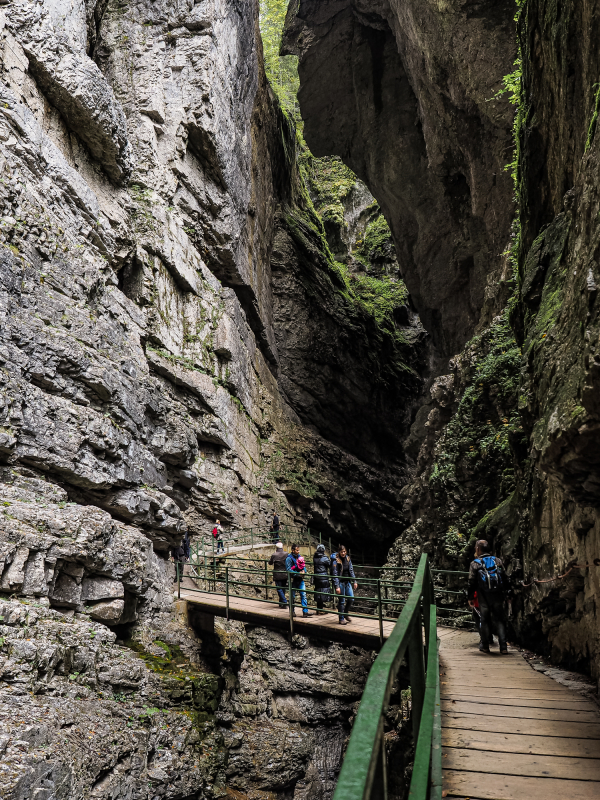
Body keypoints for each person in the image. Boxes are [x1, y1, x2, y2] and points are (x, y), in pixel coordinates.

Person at [468, 539, 510, 654]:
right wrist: (507, 594)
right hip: (497, 594)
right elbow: (505, 578)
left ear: (478, 549)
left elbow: (471, 582)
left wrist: (470, 597)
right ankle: (503, 647)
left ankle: (485, 645)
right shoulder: (497, 561)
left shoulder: (475, 563)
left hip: (483, 595)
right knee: (500, 619)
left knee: (484, 619)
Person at [285, 544, 314, 617]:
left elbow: (303, 566)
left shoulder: (299, 557)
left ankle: (305, 612)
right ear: (293, 550)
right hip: (293, 579)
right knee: (292, 596)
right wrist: (298, 573)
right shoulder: (289, 559)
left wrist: (304, 571)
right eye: (297, 550)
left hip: (300, 579)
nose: (298, 551)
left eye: (298, 550)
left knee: (303, 594)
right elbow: (288, 570)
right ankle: (292, 611)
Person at [332, 545, 357, 625]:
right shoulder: (335, 560)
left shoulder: (347, 559)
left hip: (347, 582)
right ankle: (341, 618)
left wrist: (354, 581)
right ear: (339, 552)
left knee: (351, 599)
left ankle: (345, 612)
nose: (343, 553)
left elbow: (351, 570)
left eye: (344, 551)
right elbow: (335, 574)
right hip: (340, 583)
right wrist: (337, 586)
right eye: (342, 552)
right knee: (342, 601)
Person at [269, 542, 289, 608]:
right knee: (283, 588)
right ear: (282, 547)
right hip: (285, 573)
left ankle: (284, 601)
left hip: (277, 574)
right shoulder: (286, 554)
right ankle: (281, 604)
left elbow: (270, 563)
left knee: (279, 588)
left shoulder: (274, 555)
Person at [313, 544, 331, 615]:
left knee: (318, 591)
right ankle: (320, 610)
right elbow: (329, 564)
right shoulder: (325, 558)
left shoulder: (315, 557)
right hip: (323, 577)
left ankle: (319, 608)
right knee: (323, 592)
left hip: (316, 577)